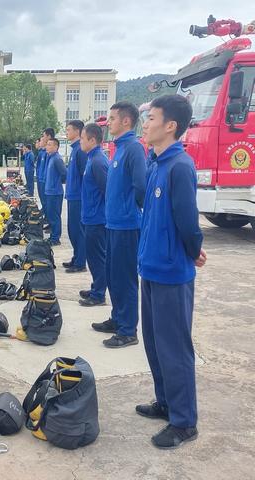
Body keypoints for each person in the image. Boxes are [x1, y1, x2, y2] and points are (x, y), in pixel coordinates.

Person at [136, 94, 206, 449]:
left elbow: (187, 221)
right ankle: (165, 402)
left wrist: (193, 252)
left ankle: (184, 421)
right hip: (150, 267)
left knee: (174, 347)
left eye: (151, 118)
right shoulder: (156, 162)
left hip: (171, 273)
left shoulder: (180, 166)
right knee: (154, 343)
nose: (145, 124)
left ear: (170, 126)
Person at [91, 101, 147, 348]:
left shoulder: (134, 148)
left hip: (126, 225)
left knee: (125, 278)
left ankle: (128, 330)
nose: (109, 123)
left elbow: (141, 187)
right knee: (113, 276)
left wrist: (128, 210)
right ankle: (117, 318)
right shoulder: (118, 148)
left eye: (112, 118)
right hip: (112, 224)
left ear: (126, 121)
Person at [79, 123, 108, 307]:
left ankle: (99, 294)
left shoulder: (98, 161)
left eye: (82, 138)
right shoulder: (91, 158)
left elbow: (107, 191)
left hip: (98, 219)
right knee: (92, 257)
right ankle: (96, 286)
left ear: (92, 140)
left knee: (98, 258)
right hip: (90, 216)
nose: (80, 141)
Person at [63, 120, 88, 273]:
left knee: (78, 231)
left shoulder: (80, 150)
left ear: (77, 131)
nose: (66, 132)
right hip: (72, 196)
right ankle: (76, 256)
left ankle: (80, 262)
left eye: (68, 130)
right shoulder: (74, 149)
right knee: (72, 230)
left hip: (79, 197)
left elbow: (85, 175)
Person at [44, 137, 67, 246]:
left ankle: (55, 238)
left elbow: (64, 173)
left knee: (55, 216)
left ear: (55, 147)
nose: (47, 146)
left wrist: (56, 183)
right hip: (49, 192)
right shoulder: (51, 158)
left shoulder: (57, 159)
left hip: (55, 192)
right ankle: (53, 235)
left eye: (49, 145)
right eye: (47, 144)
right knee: (51, 215)